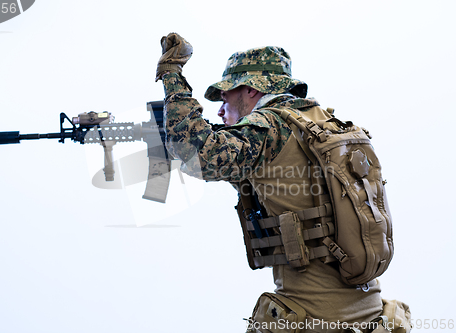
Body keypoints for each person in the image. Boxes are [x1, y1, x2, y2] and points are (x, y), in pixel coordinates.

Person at [155, 33, 411, 333]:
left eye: (225, 98)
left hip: (314, 319)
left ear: (251, 90)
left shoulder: (267, 127)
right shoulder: (321, 124)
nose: (221, 111)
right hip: (371, 315)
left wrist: (171, 73)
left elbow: (196, 153)